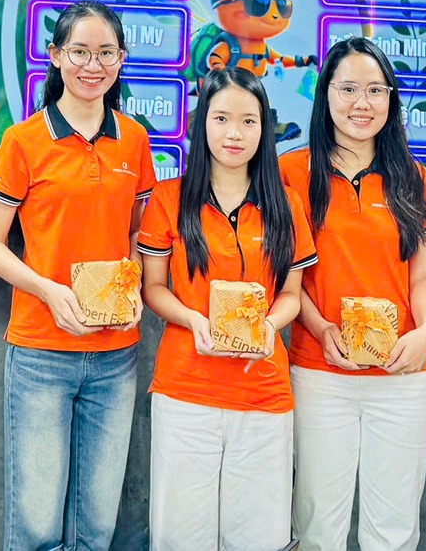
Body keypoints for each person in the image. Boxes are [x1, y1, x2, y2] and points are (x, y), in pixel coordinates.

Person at [0, 0, 157, 551]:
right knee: (36, 526)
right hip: (40, 351)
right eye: (79, 51)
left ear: (121, 59)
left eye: (105, 53)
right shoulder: (23, 140)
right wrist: (48, 290)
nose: (92, 65)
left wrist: (132, 284)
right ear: (55, 56)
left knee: (96, 526)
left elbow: (137, 232)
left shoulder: (135, 139)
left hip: (116, 355)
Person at [138, 67, 315, 551]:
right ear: (202, 123)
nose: (234, 133)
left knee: (258, 536)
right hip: (185, 390)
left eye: (248, 121)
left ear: (265, 128)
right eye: (221, 119)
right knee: (180, 536)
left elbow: (291, 295)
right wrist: (192, 318)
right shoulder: (170, 199)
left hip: (263, 393)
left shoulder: (286, 204)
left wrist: (268, 326)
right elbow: (153, 288)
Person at [281, 38, 426, 551]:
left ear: (392, 99)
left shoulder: (415, 179)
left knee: (393, 527)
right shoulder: (292, 173)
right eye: (348, 88)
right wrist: (320, 328)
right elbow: (286, 278)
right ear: (326, 94)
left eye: (376, 90)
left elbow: (424, 276)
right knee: (317, 523)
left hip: (402, 375)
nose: (362, 103)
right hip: (319, 371)